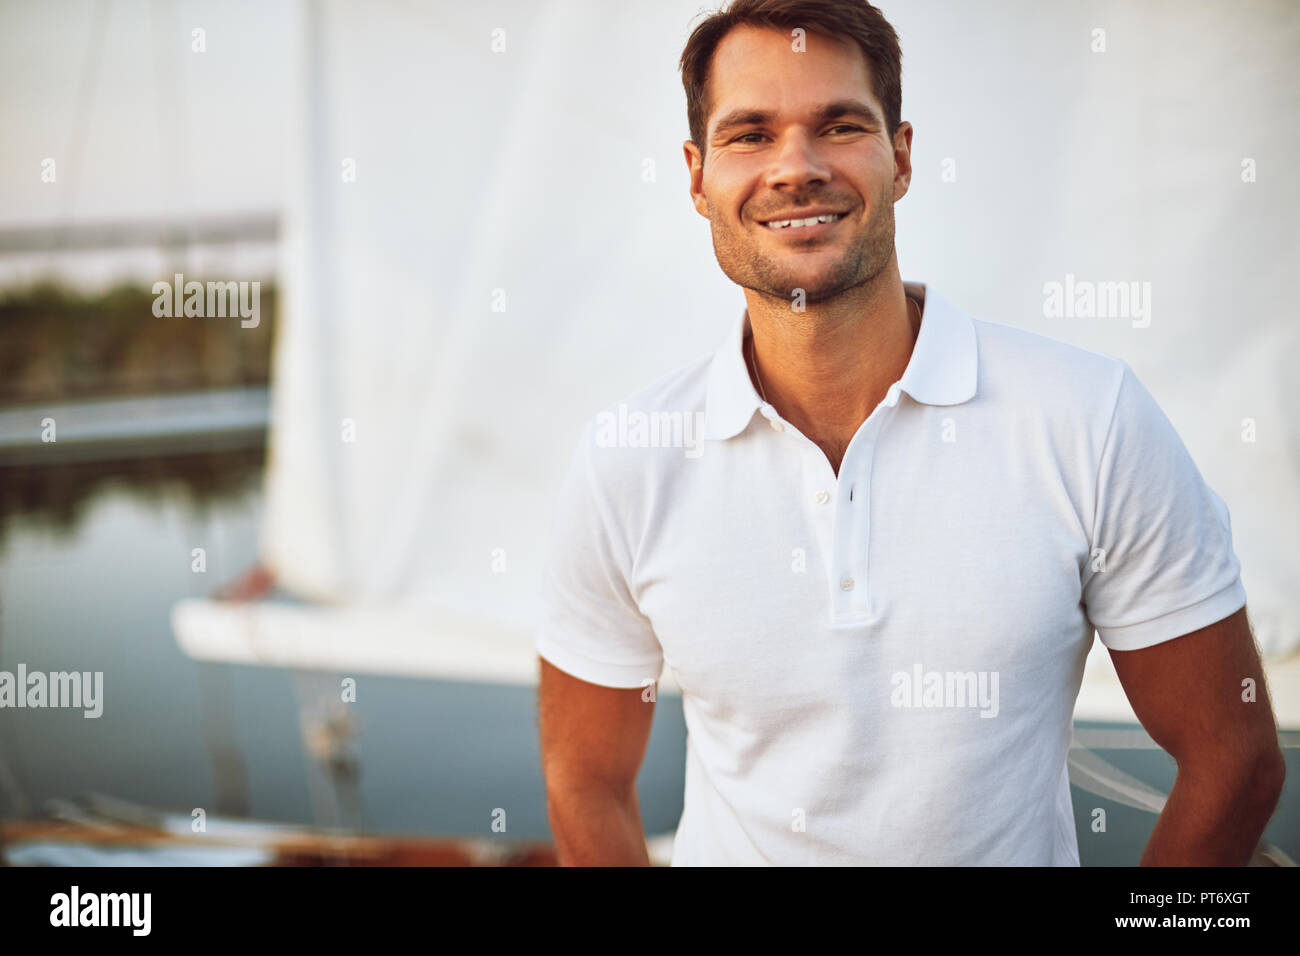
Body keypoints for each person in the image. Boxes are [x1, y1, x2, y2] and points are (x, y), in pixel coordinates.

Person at [535, 0, 1284, 866]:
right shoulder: (626, 460)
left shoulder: (1088, 419)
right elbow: (583, 780)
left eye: (839, 124)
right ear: (697, 178)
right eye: (750, 134)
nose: (796, 167)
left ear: (901, 156)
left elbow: (1236, 762)